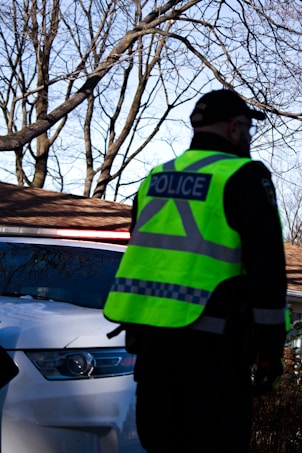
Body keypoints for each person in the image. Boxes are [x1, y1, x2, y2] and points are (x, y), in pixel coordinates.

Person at [104, 89, 288, 453]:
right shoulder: (244, 176)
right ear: (235, 128)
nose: (248, 135)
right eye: (247, 127)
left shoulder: (154, 178)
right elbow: (267, 269)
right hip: (215, 352)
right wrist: (270, 349)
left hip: (153, 350)